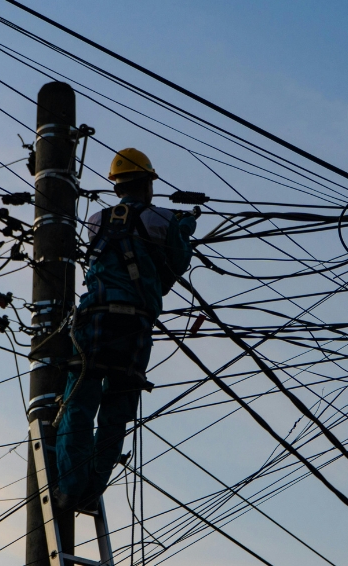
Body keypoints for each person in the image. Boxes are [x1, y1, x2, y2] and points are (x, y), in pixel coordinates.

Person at [54, 148, 197, 511]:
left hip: (94, 320)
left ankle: (69, 486)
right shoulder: (162, 219)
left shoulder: (96, 220)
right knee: (117, 413)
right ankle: (91, 489)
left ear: (116, 185)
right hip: (135, 327)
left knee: (79, 403)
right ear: (149, 182)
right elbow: (172, 269)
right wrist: (182, 231)